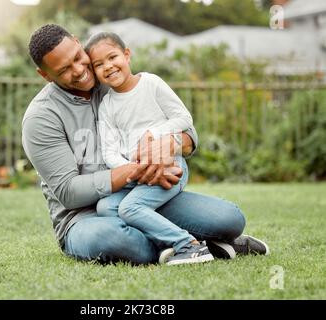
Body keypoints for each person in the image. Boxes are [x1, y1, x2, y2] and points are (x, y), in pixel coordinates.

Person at [22, 24, 269, 265]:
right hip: (85, 218)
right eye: (65, 69)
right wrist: (138, 168)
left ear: (77, 42)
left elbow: (188, 132)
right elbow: (69, 192)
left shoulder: (111, 80)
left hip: (138, 195)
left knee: (228, 219)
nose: (79, 70)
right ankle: (194, 243)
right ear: (45, 75)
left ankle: (192, 242)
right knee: (114, 239)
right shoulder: (41, 117)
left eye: (78, 57)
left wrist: (169, 145)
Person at [84, 32, 213, 265]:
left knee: (130, 209)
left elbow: (184, 118)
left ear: (127, 55)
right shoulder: (108, 105)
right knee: (106, 206)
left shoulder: (151, 84)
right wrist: (136, 169)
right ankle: (174, 242)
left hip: (169, 168)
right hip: (137, 176)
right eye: (99, 64)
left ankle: (189, 245)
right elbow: (110, 153)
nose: (108, 66)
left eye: (113, 57)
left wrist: (154, 133)